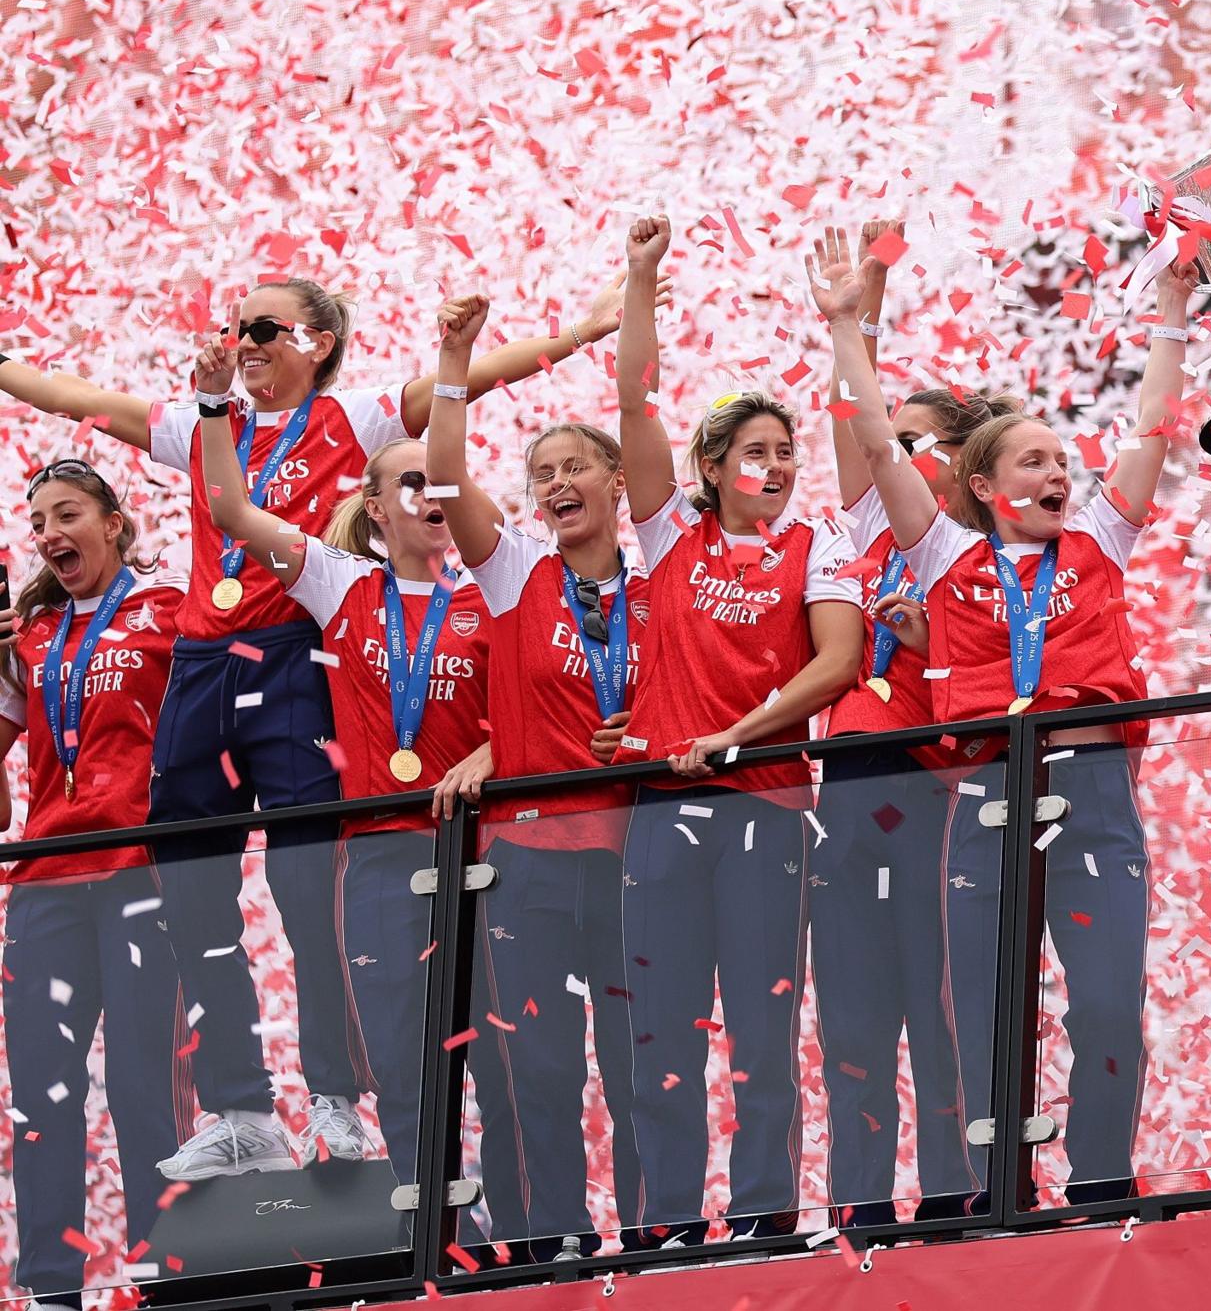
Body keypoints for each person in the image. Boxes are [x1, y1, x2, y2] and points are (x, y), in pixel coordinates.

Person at [0, 272, 624, 1178]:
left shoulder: (359, 420)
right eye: (233, 325)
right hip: (205, 666)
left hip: (299, 658)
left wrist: (588, 326)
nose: (241, 339)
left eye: (261, 326)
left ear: (317, 343)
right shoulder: (200, 420)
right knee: (190, 893)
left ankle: (335, 1095)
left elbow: (476, 375)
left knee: (308, 891)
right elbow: (74, 398)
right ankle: (241, 1106)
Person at [820, 228, 1195, 1205]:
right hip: (986, 792)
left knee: (1109, 1003)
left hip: (1093, 787)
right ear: (984, 487)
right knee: (984, 1010)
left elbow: (1153, 425)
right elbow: (873, 438)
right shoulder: (945, 553)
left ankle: (1102, 1177)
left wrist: (1172, 314)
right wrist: (845, 324)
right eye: (1032, 461)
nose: (1056, 473)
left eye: (1062, 459)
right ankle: (1001, 1189)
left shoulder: (1098, 542)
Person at [195, 337, 515, 1219]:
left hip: (486, 852)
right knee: (403, 1045)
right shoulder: (343, 586)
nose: (428, 493)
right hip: (378, 858)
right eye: (405, 480)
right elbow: (231, 514)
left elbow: (532, 713)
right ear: (374, 508)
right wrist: (218, 411)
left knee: (495, 1042)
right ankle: (433, 1209)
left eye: (436, 476)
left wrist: (492, 754)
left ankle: (512, 1216)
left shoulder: (497, 588)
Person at [615, 215, 862, 1246]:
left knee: (762, 1026)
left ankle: (763, 1212)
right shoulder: (669, 529)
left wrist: (739, 733)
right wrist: (639, 279)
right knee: (660, 1030)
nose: (775, 464)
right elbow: (632, 401)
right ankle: (668, 1219)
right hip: (663, 808)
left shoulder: (820, 541)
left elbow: (837, 662)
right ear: (711, 468)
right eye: (753, 450)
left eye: (785, 449)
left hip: (764, 805)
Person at [421, 295, 646, 1259]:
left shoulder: (663, 585)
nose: (556, 482)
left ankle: (653, 1229)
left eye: (574, 467)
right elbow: (441, 474)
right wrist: (455, 360)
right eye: (542, 472)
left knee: (639, 1060)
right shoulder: (514, 573)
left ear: (616, 484)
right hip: (532, 859)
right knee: (540, 1062)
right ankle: (557, 1233)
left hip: (636, 857)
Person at [808, 222, 1017, 1224]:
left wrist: (943, 636)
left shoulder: (998, 561)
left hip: (943, 788)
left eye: (923, 435)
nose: (900, 445)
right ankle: (859, 1202)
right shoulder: (865, 527)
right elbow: (859, 423)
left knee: (940, 1004)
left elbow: (1018, 679)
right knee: (850, 1007)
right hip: (851, 784)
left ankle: (957, 1193)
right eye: (902, 433)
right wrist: (858, 317)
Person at [0, 461, 183, 1306]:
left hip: (138, 876)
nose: (49, 534)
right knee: (43, 1095)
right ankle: (48, 1291)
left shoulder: (171, 611)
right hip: (43, 883)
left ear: (115, 521)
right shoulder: (28, 636)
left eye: (66, 514)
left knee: (146, 1087)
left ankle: (164, 1277)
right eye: (39, 521)